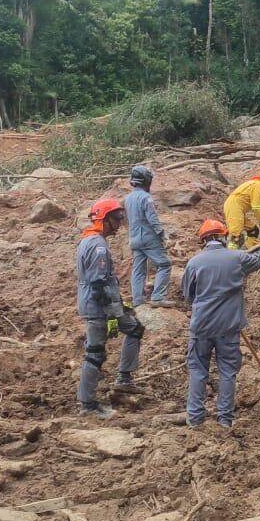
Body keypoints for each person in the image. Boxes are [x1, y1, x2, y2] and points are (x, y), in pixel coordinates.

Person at [180, 219, 260, 429]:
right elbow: (259, 261)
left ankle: (195, 418)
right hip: (229, 326)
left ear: (203, 240)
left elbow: (187, 296)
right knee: (228, 371)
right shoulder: (237, 257)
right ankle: (225, 419)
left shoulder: (194, 262)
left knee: (197, 369)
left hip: (201, 325)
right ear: (223, 237)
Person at [76, 197, 144, 419]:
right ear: (104, 219)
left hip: (98, 304)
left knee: (134, 329)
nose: (119, 223)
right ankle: (87, 404)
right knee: (95, 353)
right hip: (98, 307)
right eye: (116, 218)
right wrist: (113, 313)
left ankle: (124, 379)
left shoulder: (89, 240)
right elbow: (99, 284)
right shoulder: (97, 246)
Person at [124, 164, 172, 308]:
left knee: (138, 269)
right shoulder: (146, 198)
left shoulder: (128, 198)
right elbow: (152, 218)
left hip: (134, 239)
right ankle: (158, 297)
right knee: (165, 265)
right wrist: (162, 235)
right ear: (146, 180)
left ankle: (137, 300)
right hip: (148, 238)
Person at [223, 167, 260, 250]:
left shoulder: (255, 184)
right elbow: (257, 208)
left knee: (253, 230)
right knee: (236, 236)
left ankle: (253, 249)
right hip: (234, 207)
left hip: (235, 207)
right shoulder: (258, 185)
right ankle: (231, 257)